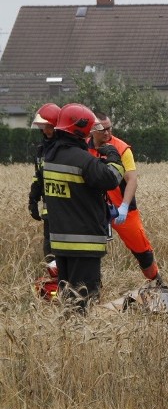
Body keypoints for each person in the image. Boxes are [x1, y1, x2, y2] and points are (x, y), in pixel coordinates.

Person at [42, 103, 124, 310]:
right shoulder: (83, 160)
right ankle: (79, 339)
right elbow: (111, 179)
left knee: (67, 299)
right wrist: (113, 157)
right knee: (83, 301)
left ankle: (68, 338)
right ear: (80, 129)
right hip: (84, 243)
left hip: (60, 243)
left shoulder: (51, 158)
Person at [88, 113, 161, 283]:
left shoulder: (121, 148)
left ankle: (156, 280)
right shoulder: (83, 147)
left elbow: (132, 180)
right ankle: (92, 286)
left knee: (142, 249)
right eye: (102, 129)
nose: (107, 133)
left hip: (121, 209)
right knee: (89, 250)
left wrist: (124, 206)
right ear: (92, 130)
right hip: (94, 209)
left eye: (109, 128)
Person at [29, 103, 60, 259]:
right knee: (49, 247)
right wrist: (33, 200)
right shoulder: (42, 149)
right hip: (49, 210)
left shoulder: (65, 148)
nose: (46, 131)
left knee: (63, 248)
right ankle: (53, 279)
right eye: (44, 127)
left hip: (66, 209)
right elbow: (38, 177)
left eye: (50, 127)